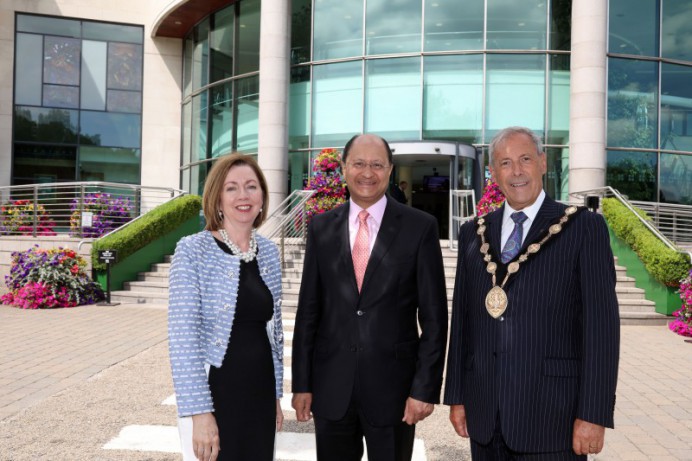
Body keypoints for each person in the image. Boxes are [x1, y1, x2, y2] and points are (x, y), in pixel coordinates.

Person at [444, 126, 620, 460]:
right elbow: (463, 323)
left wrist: (594, 414)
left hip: (553, 419)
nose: (517, 171)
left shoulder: (583, 227)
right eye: (505, 163)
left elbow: (602, 331)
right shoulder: (473, 232)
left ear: (542, 162)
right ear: (493, 173)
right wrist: (457, 396)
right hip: (485, 419)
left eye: (525, 159)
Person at [292, 133, 449, 461]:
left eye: (377, 164)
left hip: (395, 393)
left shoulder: (419, 227)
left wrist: (423, 389)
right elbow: (309, 311)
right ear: (344, 168)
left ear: (390, 170)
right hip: (332, 388)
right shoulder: (321, 227)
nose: (368, 172)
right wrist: (302, 384)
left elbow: (434, 319)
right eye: (359, 164)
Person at [168, 153, 284, 461]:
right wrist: (199, 413)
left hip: (259, 389)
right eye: (231, 188)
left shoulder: (269, 253)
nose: (243, 196)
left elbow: (275, 333)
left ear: (262, 196)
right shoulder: (193, 250)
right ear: (217, 197)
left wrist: (275, 396)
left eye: (251, 186)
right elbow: (183, 339)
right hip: (216, 392)